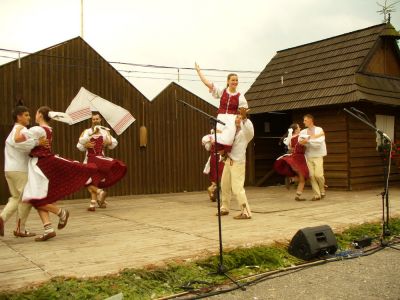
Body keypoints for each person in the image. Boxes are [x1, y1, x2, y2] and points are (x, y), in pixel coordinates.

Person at [17, 106, 98, 241]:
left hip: (39, 165)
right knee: (40, 197)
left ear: (40, 115)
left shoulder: (37, 129)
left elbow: (18, 139)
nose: (34, 115)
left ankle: (61, 212)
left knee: (33, 198)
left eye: (36, 113)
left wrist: (19, 126)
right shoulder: (48, 129)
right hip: (42, 163)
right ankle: (48, 228)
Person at [0, 104, 48, 237]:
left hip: (9, 169)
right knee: (27, 199)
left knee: (16, 198)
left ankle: (2, 219)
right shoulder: (21, 129)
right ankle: (19, 228)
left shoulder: (15, 130)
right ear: (18, 117)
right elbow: (20, 144)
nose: (29, 117)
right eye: (26, 115)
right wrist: (38, 143)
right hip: (20, 170)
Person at [195, 62, 249, 156]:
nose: (235, 82)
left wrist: (240, 119)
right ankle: (213, 142)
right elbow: (207, 83)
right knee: (220, 141)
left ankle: (209, 138)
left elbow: (243, 111)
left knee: (228, 141)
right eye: (233, 80)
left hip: (232, 119)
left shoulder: (240, 96)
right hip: (221, 117)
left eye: (236, 80)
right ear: (228, 81)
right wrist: (199, 72)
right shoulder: (222, 91)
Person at [77, 112, 127, 211]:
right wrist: (85, 145)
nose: (95, 121)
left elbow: (114, 143)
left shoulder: (104, 131)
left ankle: (95, 202)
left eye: (97, 119)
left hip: (100, 158)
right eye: (93, 119)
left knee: (96, 180)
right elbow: (79, 145)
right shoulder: (87, 131)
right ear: (91, 120)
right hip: (89, 159)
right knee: (89, 179)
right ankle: (100, 198)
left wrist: (109, 142)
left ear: (100, 120)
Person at [218, 112, 254, 219]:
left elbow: (250, 131)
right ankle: (225, 207)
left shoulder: (245, 132)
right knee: (224, 184)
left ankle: (246, 212)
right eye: (236, 117)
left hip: (238, 162)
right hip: (228, 160)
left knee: (237, 188)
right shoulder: (231, 131)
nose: (237, 119)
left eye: (239, 117)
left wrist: (245, 118)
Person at [274, 124, 323, 201]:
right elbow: (308, 140)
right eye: (299, 127)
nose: (300, 128)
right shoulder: (300, 136)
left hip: (293, 158)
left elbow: (290, 148)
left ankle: (298, 195)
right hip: (299, 159)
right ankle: (292, 179)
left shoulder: (289, 138)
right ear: (296, 130)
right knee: (306, 175)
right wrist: (320, 134)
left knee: (302, 179)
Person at [300, 114, 327, 201]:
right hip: (309, 155)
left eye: (305, 120)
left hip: (318, 155)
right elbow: (300, 142)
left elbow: (319, 142)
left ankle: (322, 190)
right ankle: (317, 195)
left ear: (311, 120)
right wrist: (311, 139)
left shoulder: (319, 129)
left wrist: (308, 140)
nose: (303, 122)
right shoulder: (303, 132)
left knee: (318, 175)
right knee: (311, 175)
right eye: (304, 120)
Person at [202, 130, 224, 201]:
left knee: (218, 176)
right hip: (217, 158)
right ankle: (212, 189)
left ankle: (213, 192)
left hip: (216, 157)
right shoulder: (214, 137)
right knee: (219, 175)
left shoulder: (214, 138)